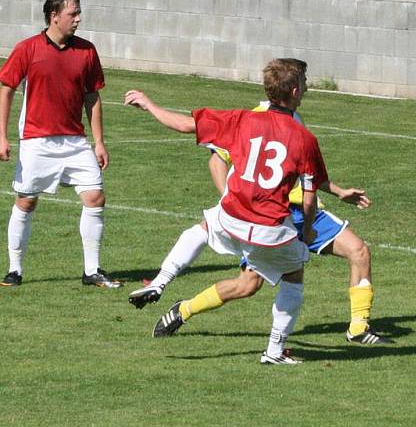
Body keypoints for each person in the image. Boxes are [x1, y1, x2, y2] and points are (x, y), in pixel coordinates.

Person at [128, 59, 391, 345]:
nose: (307, 88)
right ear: (292, 90)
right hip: (270, 219)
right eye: (304, 82)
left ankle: (358, 327)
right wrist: (235, 201)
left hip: (301, 212)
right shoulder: (252, 118)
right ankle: (185, 309)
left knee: (359, 252)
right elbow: (218, 160)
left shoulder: (296, 124)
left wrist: (339, 191)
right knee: (247, 285)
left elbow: (308, 173)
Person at [0, 0, 119, 289]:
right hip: (36, 141)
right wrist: (1, 136)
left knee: (95, 197)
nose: (78, 18)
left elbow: (92, 97)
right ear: (54, 16)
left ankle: (91, 270)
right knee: (26, 202)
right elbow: (6, 89)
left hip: (75, 142)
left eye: (79, 13)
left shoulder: (87, 51)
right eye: (72, 14)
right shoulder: (27, 49)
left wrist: (99, 141)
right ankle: (14, 270)